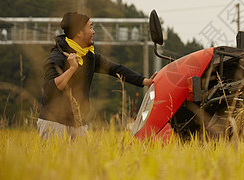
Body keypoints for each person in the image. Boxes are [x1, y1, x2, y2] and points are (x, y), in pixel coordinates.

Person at [37, 12, 155, 140]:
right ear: (79, 33)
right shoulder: (58, 56)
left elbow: (116, 69)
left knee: (84, 160)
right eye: (90, 27)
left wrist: (145, 81)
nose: (93, 31)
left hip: (79, 123)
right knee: (56, 160)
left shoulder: (89, 56)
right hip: (54, 123)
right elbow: (50, 88)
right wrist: (71, 69)